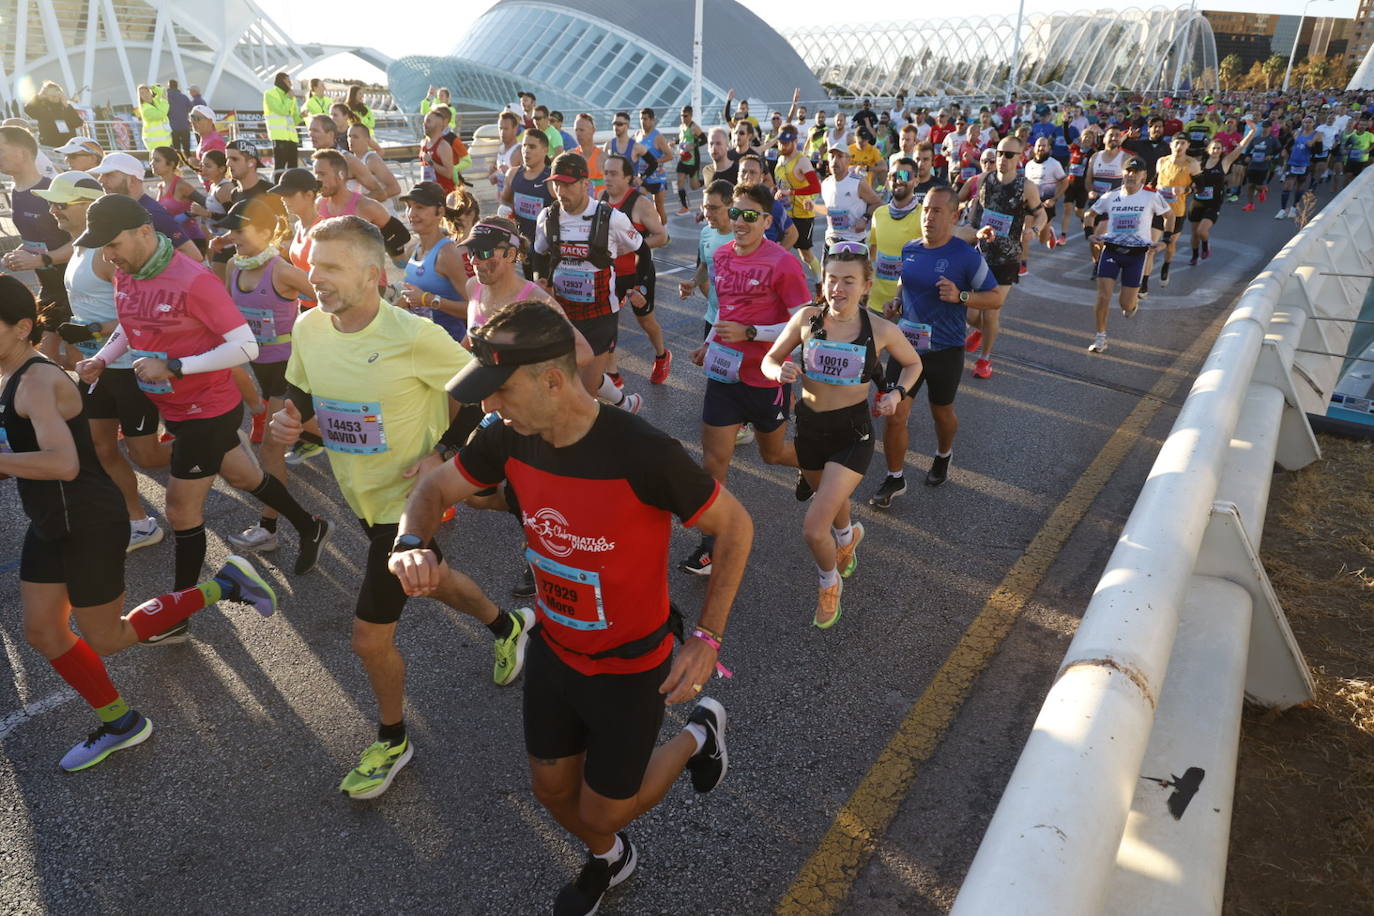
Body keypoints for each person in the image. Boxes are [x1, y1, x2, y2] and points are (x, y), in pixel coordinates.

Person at [390, 299, 751, 915]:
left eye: (499, 391)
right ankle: (612, 859)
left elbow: (736, 526)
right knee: (551, 790)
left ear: (552, 381)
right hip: (556, 652)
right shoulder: (506, 436)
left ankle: (698, 733)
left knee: (606, 807)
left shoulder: (643, 452)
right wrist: (409, 543)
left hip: (632, 664)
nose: (488, 406)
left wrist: (708, 636)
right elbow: (432, 487)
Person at [268, 215, 534, 798]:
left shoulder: (412, 335)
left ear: (371, 274)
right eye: (314, 266)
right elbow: (302, 395)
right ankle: (507, 624)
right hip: (360, 494)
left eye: (332, 268)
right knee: (427, 577)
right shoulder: (310, 328)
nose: (317, 278)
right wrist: (292, 424)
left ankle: (392, 739)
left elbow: (485, 387)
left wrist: (446, 453)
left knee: (369, 636)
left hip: (406, 504)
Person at [0, 274, 278, 771]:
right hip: (49, 517)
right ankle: (121, 723)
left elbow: (62, 464)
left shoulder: (39, 382)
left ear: (21, 328)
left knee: (105, 637)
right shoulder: (11, 370)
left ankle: (224, 586)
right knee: (43, 632)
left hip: (87, 519)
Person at [73, 194, 332, 642]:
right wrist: (102, 357)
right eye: (102, 248)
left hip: (206, 410)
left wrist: (175, 366)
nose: (108, 255)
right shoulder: (125, 272)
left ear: (143, 232)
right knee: (247, 478)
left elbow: (245, 347)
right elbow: (128, 324)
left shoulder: (194, 280)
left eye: (113, 244)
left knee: (180, 509)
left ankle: (177, 614)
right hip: (173, 406)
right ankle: (312, 525)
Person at [762, 243, 920, 626]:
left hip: (853, 434)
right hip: (810, 431)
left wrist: (897, 394)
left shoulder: (880, 329)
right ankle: (848, 539)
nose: (839, 288)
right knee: (832, 502)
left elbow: (913, 363)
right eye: (832, 279)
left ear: (866, 285)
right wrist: (777, 371)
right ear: (822, 281)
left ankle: (829, 583)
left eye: (849, 280)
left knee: (815, 527)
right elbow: (770, 359)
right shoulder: (806, 319)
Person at [34, 171, 168, 550]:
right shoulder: (76, 246)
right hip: (97, 371)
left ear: (85, 205)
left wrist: (92, 331)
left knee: (149, 455)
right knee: (101, 447)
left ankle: (214, 445)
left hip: (131, 367)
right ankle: (139, 521)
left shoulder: (110, 252)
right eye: (52, 202)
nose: (53, 209)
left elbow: (142, 314)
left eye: (61, 203)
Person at [681, 183, 809, 574]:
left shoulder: (783, 262)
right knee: (714, 460)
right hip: (725, 372)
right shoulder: (721, 256)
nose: (740, 221)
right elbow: (727, 310)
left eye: (750, 215)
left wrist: (754, 334)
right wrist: (711, 340)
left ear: (767, 221)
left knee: (773, 454)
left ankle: (818, 465)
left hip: (767, 376)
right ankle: (710, 544)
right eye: (736, 213)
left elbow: (805, 322)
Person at [869, 187, 1002, 508]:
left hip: (946, 349)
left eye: (937, 211)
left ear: (955, 216)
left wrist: (962, 297)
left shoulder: (966, 256)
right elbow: (905, 281)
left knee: (941, 413)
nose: (928, 217)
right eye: (926, 209)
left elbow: (996, 297)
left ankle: (943, 454)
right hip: (907, 347)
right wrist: (896, 302)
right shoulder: (910, 249)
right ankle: (894, 477)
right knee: (895, 413)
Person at [217, 197, 315, 552]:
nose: (232, 236)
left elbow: (330, 299)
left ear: (262, 231)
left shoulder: (282, 271)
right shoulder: (234, 266)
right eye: (229, 229)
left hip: (290, 372)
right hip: (260, 368)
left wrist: (316, 333)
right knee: (327, 437)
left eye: (238, 229)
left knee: (272, 449)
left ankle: (269, 529)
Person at [534, 153, 645, 414]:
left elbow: (642, 250)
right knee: (570, 376)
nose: (561, 191)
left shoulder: (611, 218)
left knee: (581, 394)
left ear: (586, 184)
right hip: (563, 311)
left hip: (600, 314)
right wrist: (538, 279)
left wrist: (638, 287)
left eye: (568, 184)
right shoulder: (547, 217)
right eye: (556, 184)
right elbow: (537, 254)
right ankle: (626, 404)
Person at [963, 136, 1043, 379]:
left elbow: (1041, 214)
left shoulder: (1025, 186)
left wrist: (1034, 230)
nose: (1003, 159)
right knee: (971, 313)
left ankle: (985, 359)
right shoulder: (984, 179)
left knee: (991, 311)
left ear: (1020, 159)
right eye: (1000, 153)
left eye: (1009, 155)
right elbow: (974, 216)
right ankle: (983, 330)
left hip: (1007, 259)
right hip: (981, 255)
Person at [1084, 158, 1171, 353]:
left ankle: (1132, 305)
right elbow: (1090, 214)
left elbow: (1169, 216)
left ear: (1143, 176)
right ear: (1123, 173)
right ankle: (1100, 337)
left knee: (1126, 304)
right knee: (1103, 296)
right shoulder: (1110, 196)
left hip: (1137, 255)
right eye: (1128, 171)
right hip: (1112, 251)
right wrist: (1089, 234)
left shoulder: (1151, 196)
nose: (1131, 175)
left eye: (1136, 172)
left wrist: (1166, 240)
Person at [600, 154, 672, 386]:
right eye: (605, 173)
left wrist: (631, 246)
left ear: (628, 177)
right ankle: (613, 375)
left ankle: (662, 355)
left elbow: (662, 236)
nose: (607, 178)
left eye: (613, 174)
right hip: (610, 275)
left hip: (637, 273)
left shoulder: (641, 203)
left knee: (646, 321)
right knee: (607, 322)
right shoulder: (601, 198)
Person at [0, 125, 73, 348]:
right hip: (49, 287)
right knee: (42, 355)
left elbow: (81, 241)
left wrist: (41, 260)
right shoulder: (16, 190)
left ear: (21, 153)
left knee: (73, 360)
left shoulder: (52, 190)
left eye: (1, 150)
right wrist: (20, 253)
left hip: (74, 288)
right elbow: (39, 236)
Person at [87, 151, 203, 262]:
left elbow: (193, 255)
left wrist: (150, 273)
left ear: (132, 180)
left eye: (108, 175)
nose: (100, 180)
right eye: (101, 175)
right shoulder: (126, 211)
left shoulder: (152, 213)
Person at [396, 181, 470, 341]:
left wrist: (427, 300)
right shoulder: (413, 248)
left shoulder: (447, 253)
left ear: (440, 212)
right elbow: (414, 296)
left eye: (420, 207)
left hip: (449, 345)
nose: (411, 213)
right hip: (421, 343)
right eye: (409, 206)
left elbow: (472, 308)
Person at [868, 156, 928, 317]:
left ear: (916, 181)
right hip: (876, 303)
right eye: (893, 176)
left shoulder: (924, 216)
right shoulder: (879, 214)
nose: (898, 180)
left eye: (905, 176)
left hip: (908, 306)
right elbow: (873, 253)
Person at [501, 129, 553, 277]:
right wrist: (504, 209)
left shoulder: (550, 180)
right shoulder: (513, 174)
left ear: (545, 150)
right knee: (529, 284)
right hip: (523, 246)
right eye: (524, 146)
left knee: (542, 289)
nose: (526, 150)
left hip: (545, 250)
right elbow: (505, 199)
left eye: (532, 146)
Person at [773, 124, 823, 277]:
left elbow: (816, 188)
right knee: (777, 249)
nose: (782, 146)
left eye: (786, 143)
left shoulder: (802, 161)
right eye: (780, 142)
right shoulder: (780, 159)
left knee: (806, 255)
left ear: (795, 142)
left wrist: (792, 192)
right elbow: (780, 184)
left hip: (802, 215)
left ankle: (820, 283)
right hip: (784, 214)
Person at [150, 146, 209, 256]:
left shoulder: (181, 186)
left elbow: (208, 204)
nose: (152, 163)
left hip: (192, 241)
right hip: (173, 243)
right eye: (152, 159)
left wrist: (187, 215)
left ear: (171, 164)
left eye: (157, 160)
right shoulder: (161, 187)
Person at [821, 142, 882, 247]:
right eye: (832, 157)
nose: (835, 161)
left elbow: (877, 202)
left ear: (848, 160)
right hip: (831, 240)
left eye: (840, 156)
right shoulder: (825, 183)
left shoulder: (858, 182)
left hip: (853, 241)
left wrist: (865, 219)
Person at [635, 108, 675, 225]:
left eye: (646, 119)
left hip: (657, 177)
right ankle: (644, 229)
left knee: (658, 206)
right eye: (641, 119)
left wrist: (654, 161)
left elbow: (670, 156)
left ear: (652, 120)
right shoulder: (637, 135)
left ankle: (665, 232)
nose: (643, 121)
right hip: (643, 176)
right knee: (637, 202)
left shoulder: (658, 137)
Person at [262, 72, 303, 180]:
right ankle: (277, 191)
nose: (290, 84)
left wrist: (301, 116)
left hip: (292, 136)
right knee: (279, 167)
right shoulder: (270, 94)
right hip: (279, 136)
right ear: (282, 80)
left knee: (293, 168)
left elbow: (294, 119)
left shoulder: (290, 97)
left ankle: (293, 190)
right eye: (288, 81)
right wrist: (289, 99)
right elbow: (282, 111)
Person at [347, 123, 400, 203]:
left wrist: (362, 201)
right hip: (362, 213)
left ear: (367, 140)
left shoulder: (372, 159)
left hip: (381, 212)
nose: (351, 140)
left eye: (355, 137)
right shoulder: (350, 160)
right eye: (349, 136)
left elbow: (395, 188)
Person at [24, 82, 84, 148]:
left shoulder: (66, 107)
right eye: (50, 93)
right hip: (50, 146)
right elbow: (28, 109)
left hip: (68, 145)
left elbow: (78, 123)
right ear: (46, 95)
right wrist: (39, 96)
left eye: (57, 91)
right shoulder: (42, 107)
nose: (54, 95)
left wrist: (66, 105)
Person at [676, 105, 707, 214]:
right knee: (680, 181)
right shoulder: (681, 127)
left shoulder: (694, 127)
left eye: (685, 116)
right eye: (681, 116)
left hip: (693, 161)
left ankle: (707, 180)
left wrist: (693, 145)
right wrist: (674, 143)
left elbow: (704, 140)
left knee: (694, 186)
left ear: (691, 115)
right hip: (683, 159)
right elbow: (681, 139)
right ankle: (684, 207)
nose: (683, 118)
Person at [136, 84, 171, 152]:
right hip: (154, 143)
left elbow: (163, 92)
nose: (145, 95)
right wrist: (164, 101)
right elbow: (161, 114)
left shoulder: (155, 101)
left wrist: (153, 87)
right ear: (140, 97)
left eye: (147, 92)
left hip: (164, 142)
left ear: (150, 92)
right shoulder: (145, 109)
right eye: (142, 93)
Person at [165, 80, 192, 157]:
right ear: (177, 86)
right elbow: (191, 109)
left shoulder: (165, 98)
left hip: (171, 127)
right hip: (184, 126)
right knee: (187, 148)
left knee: (175, 149)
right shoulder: (184, 97)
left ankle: (177, 165)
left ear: (169, 86)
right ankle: (189, 164)